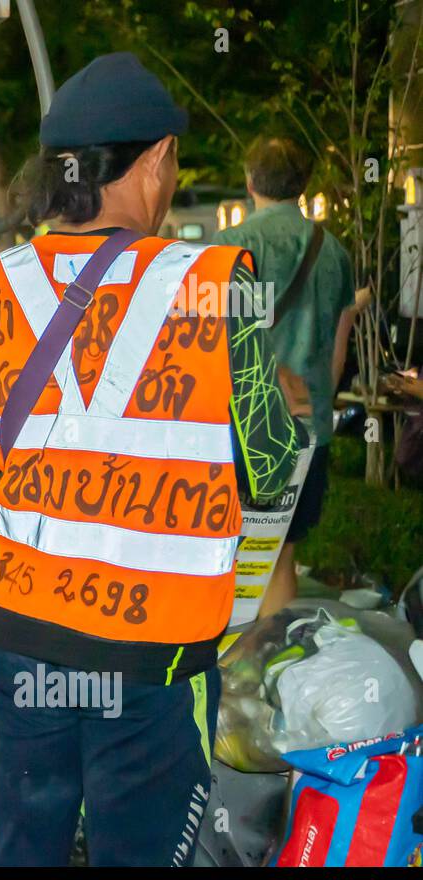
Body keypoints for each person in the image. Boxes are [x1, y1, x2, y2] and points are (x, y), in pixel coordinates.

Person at [0, 52, 303, 865]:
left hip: (23, 640)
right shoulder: (217, 281)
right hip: (156, 662)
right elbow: (272, 466)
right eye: (172, 163)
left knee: (25, 849)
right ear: (153, 162)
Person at [217, 136, 366, 616]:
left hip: (238, 431)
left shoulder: (230, 247)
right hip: (306, 432)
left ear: (249, 180)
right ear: (304, 184)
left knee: (224, 557)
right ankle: (272, 664)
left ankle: (222, 672)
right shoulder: (334, 252)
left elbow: (215, 345)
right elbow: (337, 358)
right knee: (279, 555)